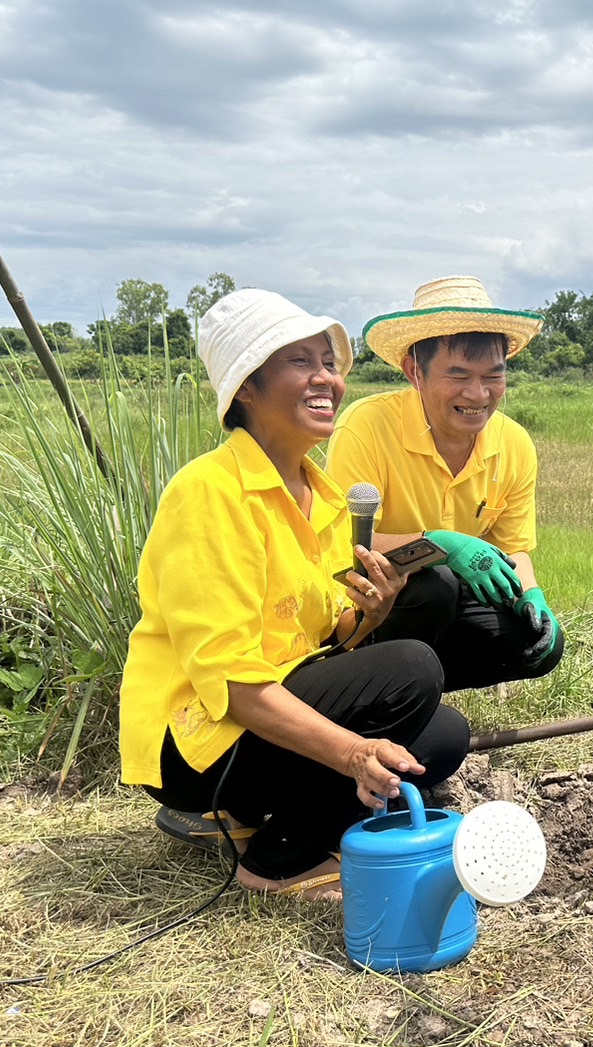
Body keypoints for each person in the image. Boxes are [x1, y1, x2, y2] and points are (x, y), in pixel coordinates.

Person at [121, 289, 470, 899]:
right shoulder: (210, 492)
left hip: (270, 707)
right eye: (299, 362)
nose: (325, 379)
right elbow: (232, 684)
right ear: (246, 389)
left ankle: (248, 817)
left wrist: (372, 614)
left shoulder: (325, 494)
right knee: (411, 670)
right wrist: (353, 753)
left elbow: (322, 638)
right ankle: (275, 861)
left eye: (329, 363)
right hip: (201, 736)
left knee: (441, 737)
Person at [324, 276, 565, 690]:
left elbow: (513, 547)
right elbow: (339, 544)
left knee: (536, 640)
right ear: (414, 371)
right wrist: (438, 545)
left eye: (493, 375)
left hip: (447, 603)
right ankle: (364, 685)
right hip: (371, 602)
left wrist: (532, 594)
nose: (478, 394)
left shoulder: (514, 443)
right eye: (458, 375)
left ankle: (416, 690)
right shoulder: (366, 426)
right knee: (434, 585)